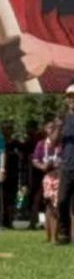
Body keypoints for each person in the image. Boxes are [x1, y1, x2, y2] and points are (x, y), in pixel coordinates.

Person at [34, 119, 62, 242]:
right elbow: (35, 159)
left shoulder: (62, 144)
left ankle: (56, 237)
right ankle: (48, 236)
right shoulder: (41, 144)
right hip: (47, 177)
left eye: (54, 128)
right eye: (50, 127)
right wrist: (42, 166)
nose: (52, 130)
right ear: (45, 129)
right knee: (49, 206)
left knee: (57, 205)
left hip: (60, 176)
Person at [0, 120, 27, 228]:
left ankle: (12, 217)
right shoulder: (0, 143)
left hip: (15, 174)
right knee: (2, 197)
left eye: (8, 128)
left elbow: (23, 158)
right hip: (2, 173)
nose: (6, 131)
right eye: (4, 129)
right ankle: (2, 219)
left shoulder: (17, 144)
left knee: (14, 197)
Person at [56, 85, 74, 245]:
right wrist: (59, 125)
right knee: (62, 201)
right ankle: (64, 233)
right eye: (69, 96)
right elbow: (54, 141)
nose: (71, 99)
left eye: (73, 96)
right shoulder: (64, 118)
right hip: (67, 166)